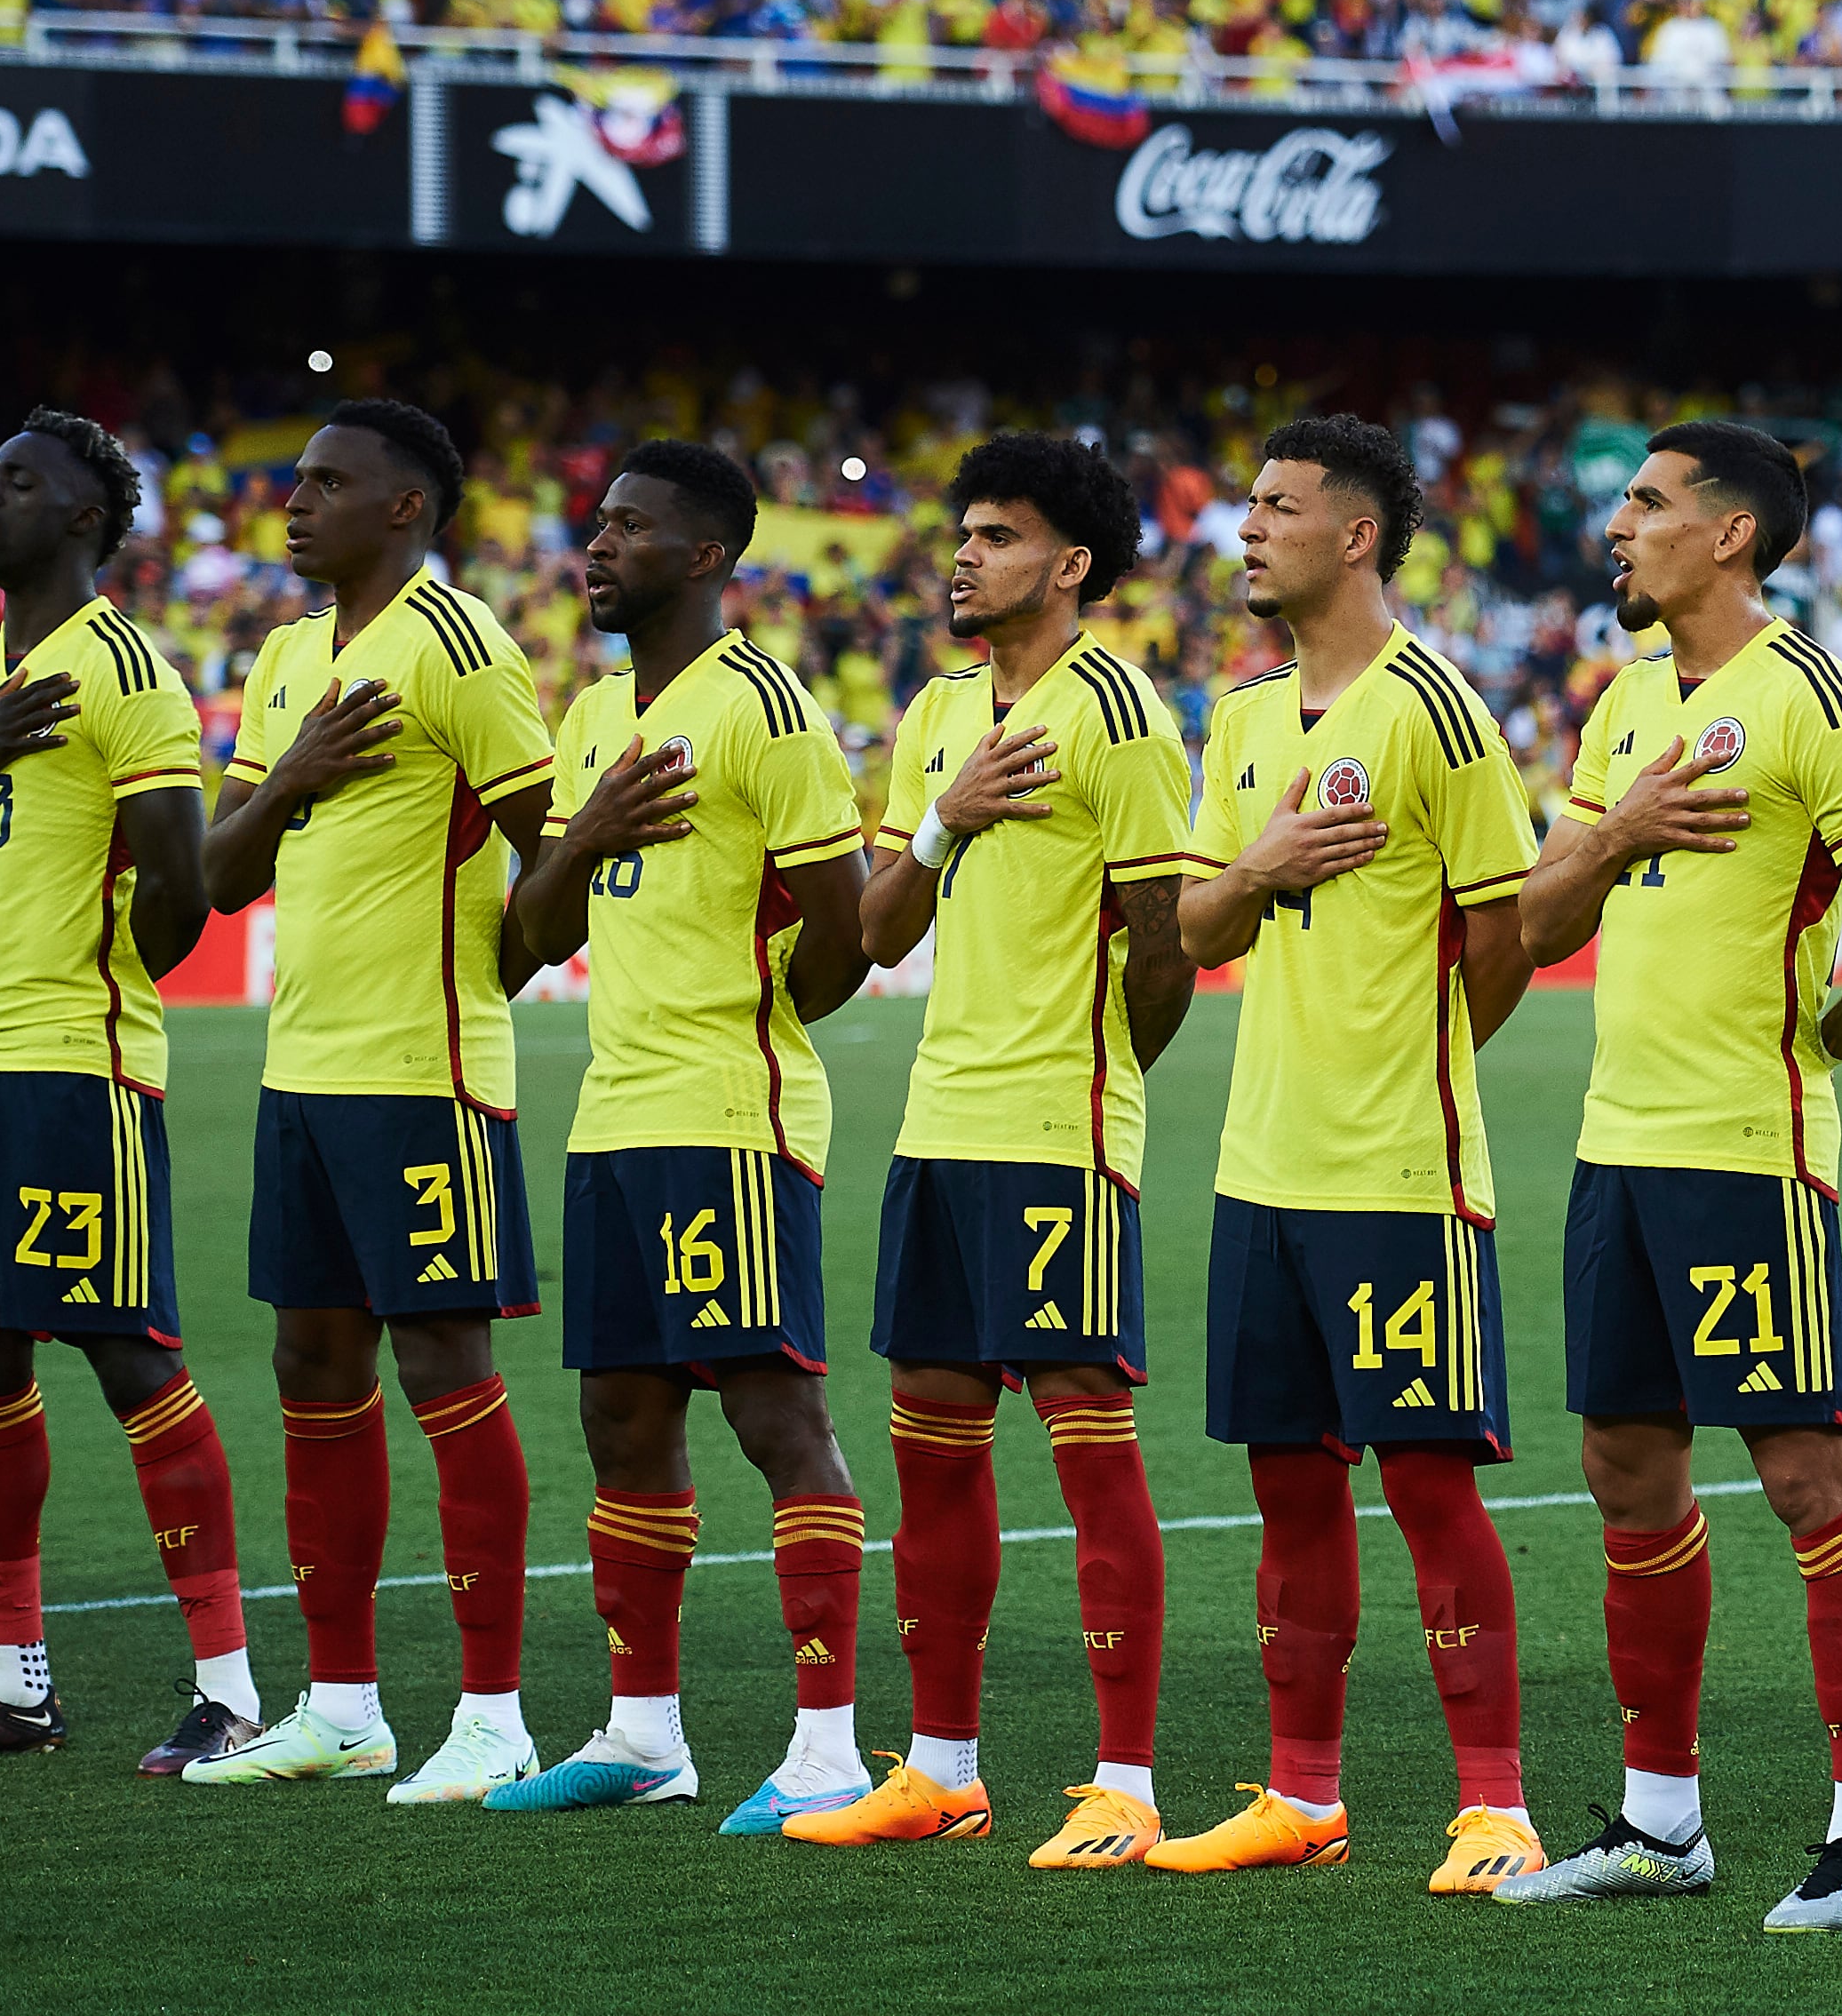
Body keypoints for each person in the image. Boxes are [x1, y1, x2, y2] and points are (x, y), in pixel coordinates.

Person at [1495, 422, 1842, 1931]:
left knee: (1801, 1473)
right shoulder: (1621, 703)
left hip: (1745, 1154)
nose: (1612, 526)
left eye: (1642, 502)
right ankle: (1658, 1820)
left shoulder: (1814, 700)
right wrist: (1616, 830)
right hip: (1616, 1143)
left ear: (1730, 534)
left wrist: (1810, 1051)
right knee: (1625, 1466)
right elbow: (1534, 922)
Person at [784, 435, 1199, 1870]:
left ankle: (1126, 1783)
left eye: (996, 536)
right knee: (934, 1450)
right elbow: (878, 931)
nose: (962, 556)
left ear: (1069, 564)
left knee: (1089, 1453)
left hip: (1057, 1134)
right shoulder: (938, 713)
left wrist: (1097, 1099)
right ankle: (944, 1768)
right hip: (939, 1129)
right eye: (960, 533)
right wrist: (947, 821)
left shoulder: (1123, 715)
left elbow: (1165, 955)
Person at [1144, 417, 1547, 1892]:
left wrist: (1411, 1068)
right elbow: (1194, 929)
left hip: (1393, 1177)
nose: (1242, 530)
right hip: (1260, 1170)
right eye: (1242, 505)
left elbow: (1505, 939)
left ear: (1357, 535)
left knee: (1429, 1486)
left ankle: (1495, 1808)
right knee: (1287, 1485)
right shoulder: (1243, 720)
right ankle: (1300, 1795)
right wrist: (1257, 870)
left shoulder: (1434, 711)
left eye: (1275, 508)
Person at [485, 442, 873, 1831]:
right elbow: (527, 942)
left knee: (777, 1415)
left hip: (729, 1115)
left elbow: (842, 938)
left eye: (630, 528)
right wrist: (577, 838)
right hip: (613, 1116)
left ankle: (827, 1748)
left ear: (705, 558)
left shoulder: (769, 710)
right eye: (596, 522)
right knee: (622, 1415)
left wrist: (755, 1030)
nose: (595, 546)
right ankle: (645, 1735)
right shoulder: (590, 718)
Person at [182, 404, 559, 1804]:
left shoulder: (461, 649)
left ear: (406, 508)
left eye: (329, 483)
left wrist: (469, 999)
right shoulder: (285, 656)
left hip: (422, 1080)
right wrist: (285, 780)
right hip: (303, 1076)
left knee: (446, 1375)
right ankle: (341, 1705)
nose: (294, 499)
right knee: (311, 1371)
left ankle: (495, 1715)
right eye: (294, 477)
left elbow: (549, 866)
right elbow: (220, 877)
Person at [0, 411, 237, 1769]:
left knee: (127, 1352)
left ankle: (230, 1686)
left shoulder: (130, 672)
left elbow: (182, 898)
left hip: (79, 1071)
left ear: (83, 518)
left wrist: (99, 990)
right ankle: (14, 1681)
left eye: (18, 482)